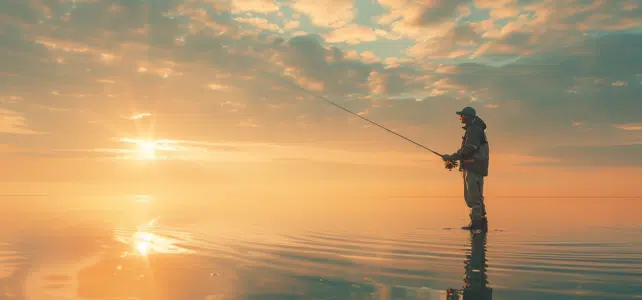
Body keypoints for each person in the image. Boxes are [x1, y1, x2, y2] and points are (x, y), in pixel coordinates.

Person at [441, 106, 489, 231]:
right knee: (475, 196)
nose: (460, 117)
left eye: (462, 115)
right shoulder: (474, 129)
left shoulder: (474, 129)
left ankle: (477, 224)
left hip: (474, 166)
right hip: (474, 166)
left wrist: (451, 156)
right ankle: (481, 223)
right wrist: (454, 157)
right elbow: (467, 149)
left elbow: (469, 148)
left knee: (473, 197)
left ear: (468, 116)